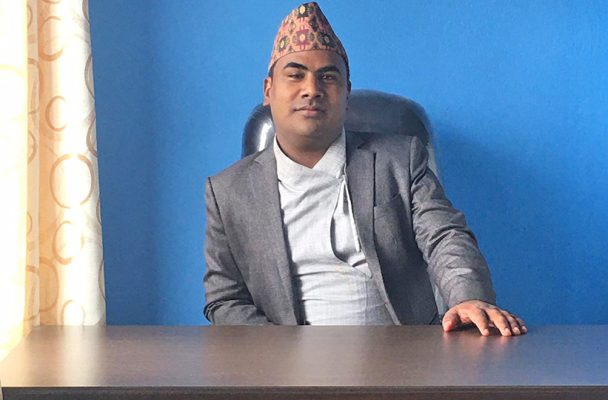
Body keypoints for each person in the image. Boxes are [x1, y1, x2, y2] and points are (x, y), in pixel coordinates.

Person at [203, 2, 526, 336]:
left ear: (347, 93)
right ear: (268, 90)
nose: (312, 89)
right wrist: (282, 352)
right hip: (288, 359)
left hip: (402, 352)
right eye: (296, 75)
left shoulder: (399, 160)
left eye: (328, 77)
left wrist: (468, 298)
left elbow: (444, 235)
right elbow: (225, 299)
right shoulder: (227, 192)